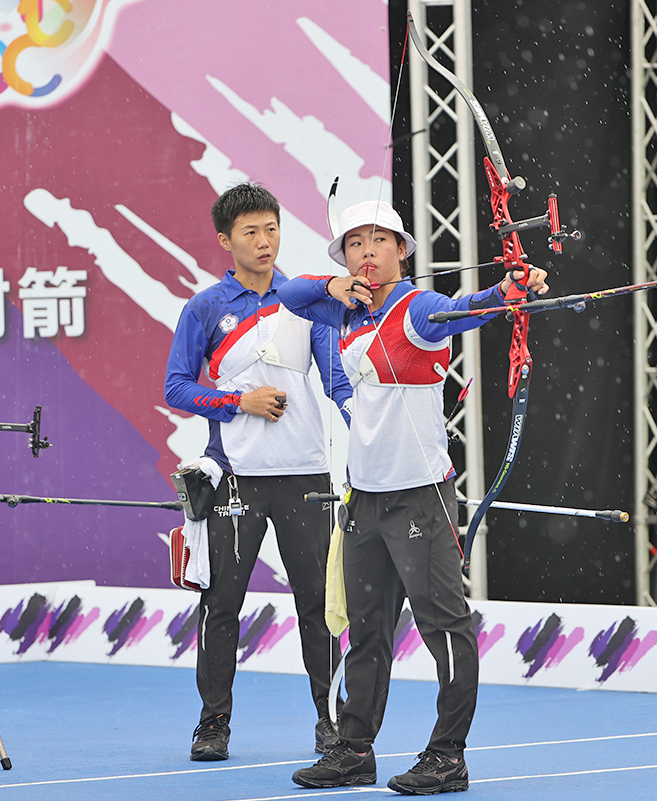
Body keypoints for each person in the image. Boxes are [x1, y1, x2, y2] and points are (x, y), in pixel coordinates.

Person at [280, 200, 549, 795]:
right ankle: (354, 750)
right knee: (366, 632)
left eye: (380, 241)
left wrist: (510, 287)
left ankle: (447, 755)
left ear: (402, 250)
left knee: (444, 628)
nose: (367, 252)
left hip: (419, 498)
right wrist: (333, 285)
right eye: (355, 244)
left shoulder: (417, 307)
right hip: (366, 501)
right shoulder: (344, 310)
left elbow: (465, 310)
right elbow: (292, 296)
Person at [164, 182, 353, 761]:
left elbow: (336, 379)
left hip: (305, 477)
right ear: (226, 241)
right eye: (251, 232)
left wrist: (371, 422)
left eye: (272, 228)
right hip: (234, 477)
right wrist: (236, 402)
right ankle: (213, 722)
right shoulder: (205, 308)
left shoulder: (306, 300)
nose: (265, 241)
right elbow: (176, 387)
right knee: (221, 603)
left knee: (319, 605)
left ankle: (330, 720)